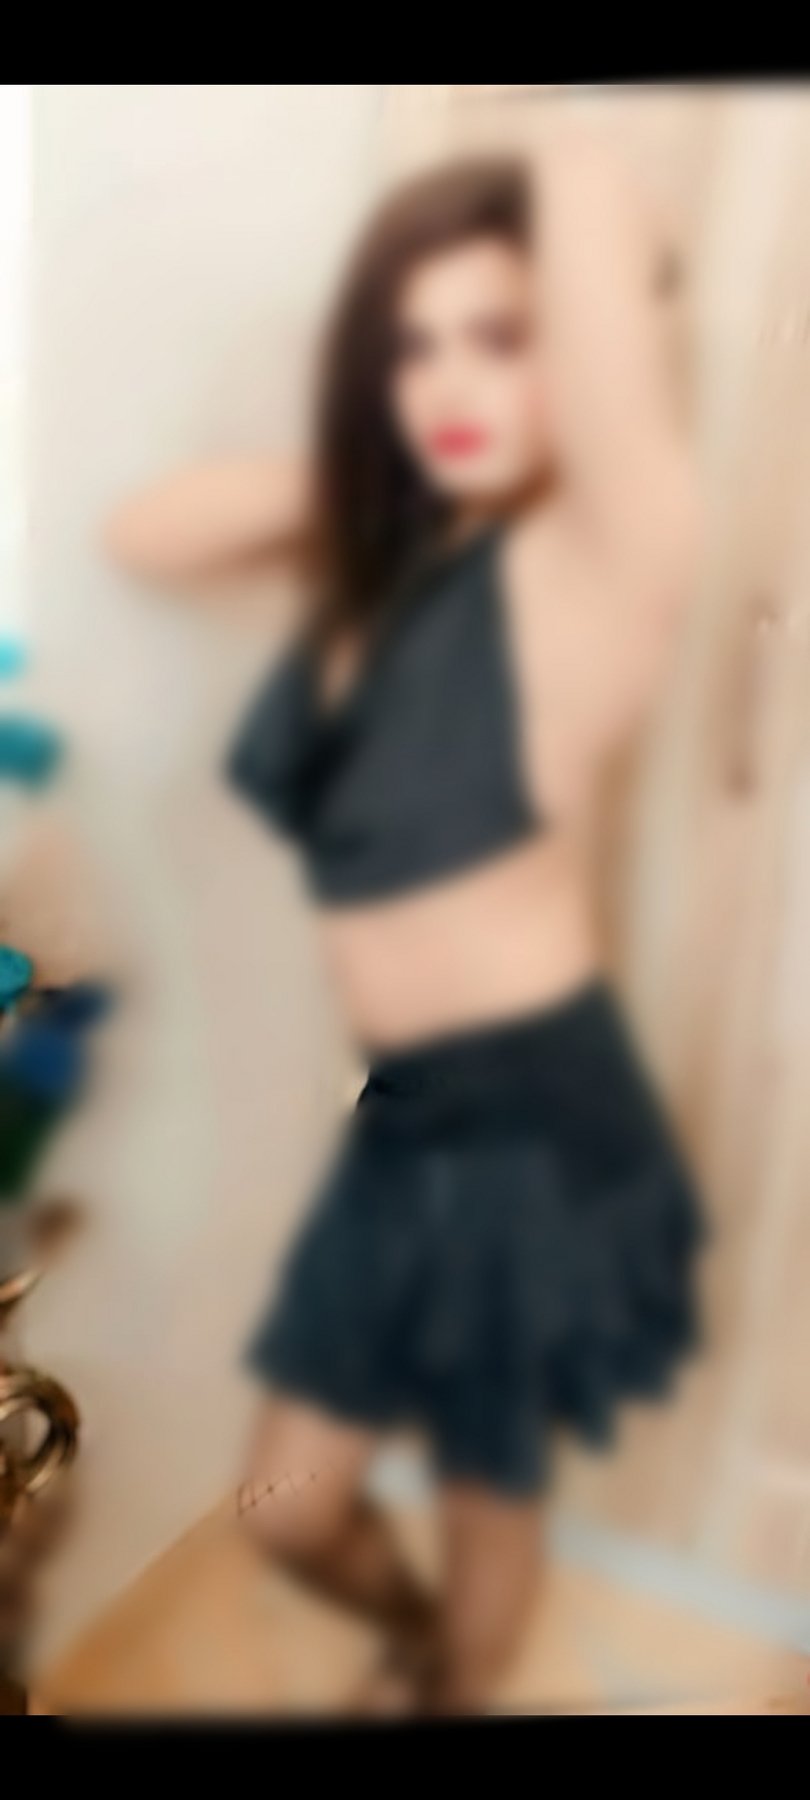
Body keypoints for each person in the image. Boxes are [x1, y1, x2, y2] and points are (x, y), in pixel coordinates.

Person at [104, 124, 707, 1717]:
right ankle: (415, 1638)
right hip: (402, 1118)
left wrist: (550, 187)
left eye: (501, 337)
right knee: (282, 1503)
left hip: (534, 1118)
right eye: (415, 345)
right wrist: (373, 465)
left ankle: (448, 1686)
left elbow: (587, 208)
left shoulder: (599, 567)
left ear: (582, 357)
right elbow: (147, 533)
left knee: (484, 1483)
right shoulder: (395, 571)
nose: (450, 382)